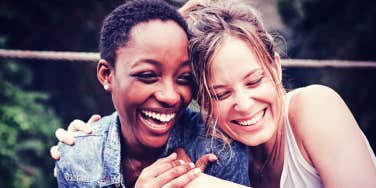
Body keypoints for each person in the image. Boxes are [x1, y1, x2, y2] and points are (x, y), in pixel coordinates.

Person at [53, 0, 250, 187]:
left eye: (184, 78)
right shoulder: (79, 159)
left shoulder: (219, 150)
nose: (170, 96)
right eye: (148, 75)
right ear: (107, 75)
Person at [182, 0, 376, 187]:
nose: (244, 104)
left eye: (254, 81)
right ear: (203, 102)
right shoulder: (219, 156)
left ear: (275, 67)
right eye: (221, 94)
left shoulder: (316, 106)